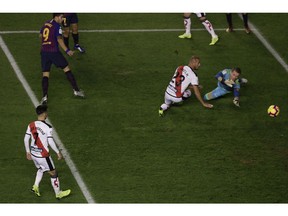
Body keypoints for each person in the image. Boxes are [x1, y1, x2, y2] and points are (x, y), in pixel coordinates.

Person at [24, 104, 71, 199]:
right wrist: (58, 152)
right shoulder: (47, 127)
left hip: (33, 153)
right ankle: (58, 194)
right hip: (43, 156)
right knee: (54, 173)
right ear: (44, 113)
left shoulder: (31, 124)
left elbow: (25, 139)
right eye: (46, 112)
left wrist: (27, 151)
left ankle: (35, 186)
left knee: (41, 168)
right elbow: (50, 141)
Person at [40, 13, 85, 105]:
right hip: (54, 52)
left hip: (44, 52)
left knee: (45, 74)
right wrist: (67, 50)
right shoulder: (57, 26)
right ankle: (76, 90)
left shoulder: (46, 23)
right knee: (66, 68)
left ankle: (44, 97)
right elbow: (59, 40)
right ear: (56, 17)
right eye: (61, 17)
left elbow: (41, 35)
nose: (62, 18)